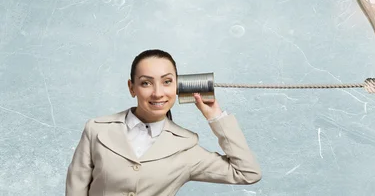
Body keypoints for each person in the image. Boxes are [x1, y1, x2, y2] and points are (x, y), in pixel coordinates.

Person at [65, 49, 261, 195]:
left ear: (178, 86)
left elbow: (247, 173)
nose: (158, 93)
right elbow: (75, 190)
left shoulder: (186, 147)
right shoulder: (96, 130)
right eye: (146, 83)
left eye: (167, 81)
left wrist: (216, 117)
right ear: (132, 88)